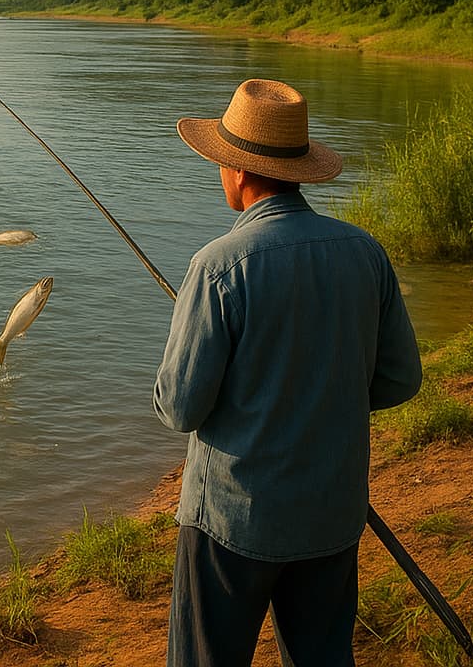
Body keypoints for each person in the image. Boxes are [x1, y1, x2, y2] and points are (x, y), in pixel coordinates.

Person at [154, 78, 423, 667]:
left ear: (239, 171)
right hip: (331, 511)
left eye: (221, 163)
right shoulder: (365, 251)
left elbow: (180, 408)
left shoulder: (217, 266)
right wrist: (320, 399)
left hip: (232, 519)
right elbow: (401, 379)